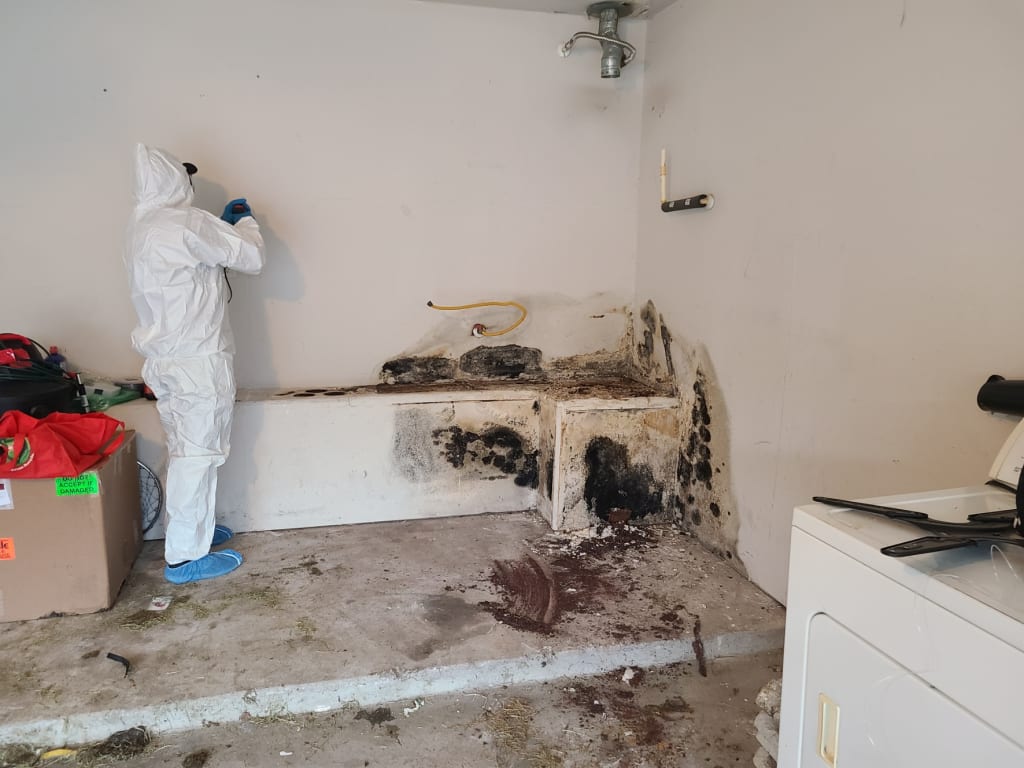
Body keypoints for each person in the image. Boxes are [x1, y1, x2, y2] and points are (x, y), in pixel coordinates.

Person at [125, 144, 265, 584]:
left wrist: (217, 231)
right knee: (199, 455)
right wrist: (244, 221)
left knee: (185, 450)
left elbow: (191, 265)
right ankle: (185, 557)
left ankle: (188, 531)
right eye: (184, 177)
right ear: (173, 180)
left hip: (166, 360)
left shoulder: (142, 227)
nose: (188, 184)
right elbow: (252, 257)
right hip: (197, 361)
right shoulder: (186, 222)